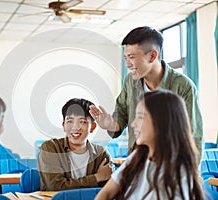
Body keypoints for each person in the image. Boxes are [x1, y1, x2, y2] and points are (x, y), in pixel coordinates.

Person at [89, 26, 203, 156]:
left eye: (131, 57)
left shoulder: (183, 86)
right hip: (137, 160)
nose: (127, 64)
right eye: (125, 58)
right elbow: (121, 113)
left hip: (169, 165)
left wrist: (186, 173)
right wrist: (110, 124)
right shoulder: (130, 81)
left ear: (152, 56)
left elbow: (194, 137)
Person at [95, 90, 204, 200]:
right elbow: (106, 193)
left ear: (162, 122)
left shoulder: (178, 175)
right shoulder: (138, 157)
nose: (133, 124)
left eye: (140, 117)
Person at [38, 98, 113, 191]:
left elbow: (109, 190)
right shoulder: (50, 148)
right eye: (70, 121)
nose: (75, 127)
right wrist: (97, 177)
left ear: (92, 127)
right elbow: (55, 187)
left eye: (82, 122)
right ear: (64, 125)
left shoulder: (101, 154)